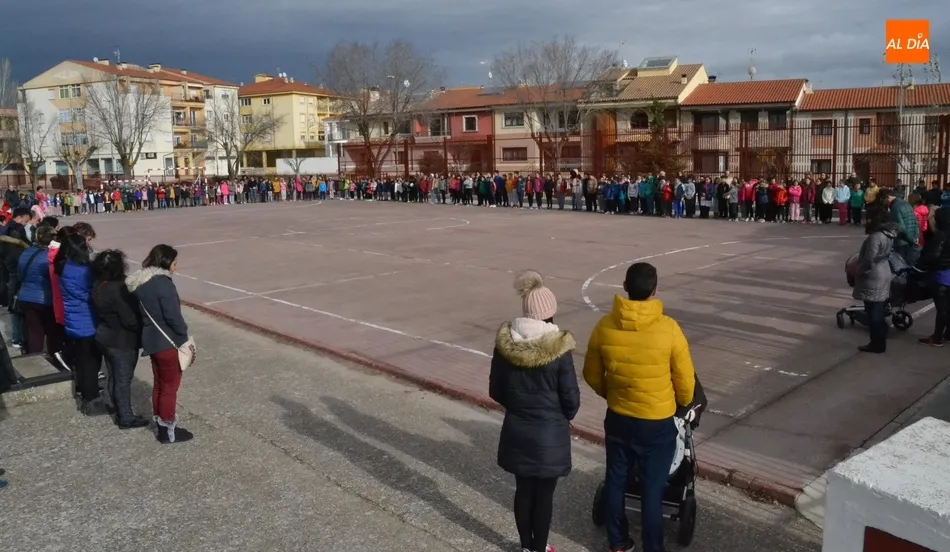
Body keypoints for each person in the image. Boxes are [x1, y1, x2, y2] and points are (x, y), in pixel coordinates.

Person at [584, 262, 695, 552]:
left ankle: (618, 542)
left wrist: (611, 393)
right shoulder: (669, 329)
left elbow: (591, 373)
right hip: (656, 421)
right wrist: (682, 404)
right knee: (652, 488)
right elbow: (685, 381)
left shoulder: (604, 326)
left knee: (616, 478)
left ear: (624, 287)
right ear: (655, 290)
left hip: (619, 416)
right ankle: (653, 547)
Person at [489, 270, 580, 552]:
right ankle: (540, 548)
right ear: (550, 313)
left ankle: (526, 547)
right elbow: (571, 400)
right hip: (550, 434)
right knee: (544, 495)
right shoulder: (559, 351)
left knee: (523, 491)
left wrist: (518, 405)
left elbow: (496, 390)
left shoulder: (506, 346)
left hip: (517, 429)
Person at [127, 244, 194, 444]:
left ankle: (161, 422)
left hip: (152, 339)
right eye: (174, 262)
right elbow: (173, 316)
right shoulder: (163, 284)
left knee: (159, 384)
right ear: (167, 263)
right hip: (168, 341)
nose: (175, 266)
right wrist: (183, 334)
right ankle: (168, 427)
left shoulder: (142, 283)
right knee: (170, 387)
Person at [91, 249, 149, 429]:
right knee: (122, 379)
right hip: (121, 340)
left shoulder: (99, 284)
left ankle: (119, 410)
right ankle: (125, 416)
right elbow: (129, 319)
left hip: (104, 335)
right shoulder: (118, 288)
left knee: (113, 377)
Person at [55, 233, 103, 414]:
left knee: (81, 360)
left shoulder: (64, 266)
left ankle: (84, 391)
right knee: (91, 361)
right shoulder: (82, 271)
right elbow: (89, 295)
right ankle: (91, 399)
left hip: (73, 320)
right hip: (87, 321)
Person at [852, 211, 899, 354]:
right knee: (876, 306)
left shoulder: (875, 237)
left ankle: (877, 342)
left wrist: (859, 272)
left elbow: (869, 259)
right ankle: (879, 338)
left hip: (874, 274)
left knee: (873, 310)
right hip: (884, 270)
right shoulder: (888, 235)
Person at [16, 225, 61, 355]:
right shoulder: (51, 256)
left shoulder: (26, 252)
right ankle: (55, 358)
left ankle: (34, 359)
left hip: (25, 296)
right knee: (52, 332)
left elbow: (19, 274)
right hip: (44, 298)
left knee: (35, 331)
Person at [916, 206, 950, 346]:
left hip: (942, 275)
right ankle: (947, 334)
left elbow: (933, 256)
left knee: (942, 308)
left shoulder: (941, 236)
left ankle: (937, 338)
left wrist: (921, 265)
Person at [885, 190, 920, 264]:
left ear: (889, 197)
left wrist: (911, 239)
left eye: (886, 198)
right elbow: (915, 222)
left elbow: (900, 227)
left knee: (901, 263)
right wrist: (915, 237)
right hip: (911, 238)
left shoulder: (895, 207)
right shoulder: (907, 204)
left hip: (902, 240)